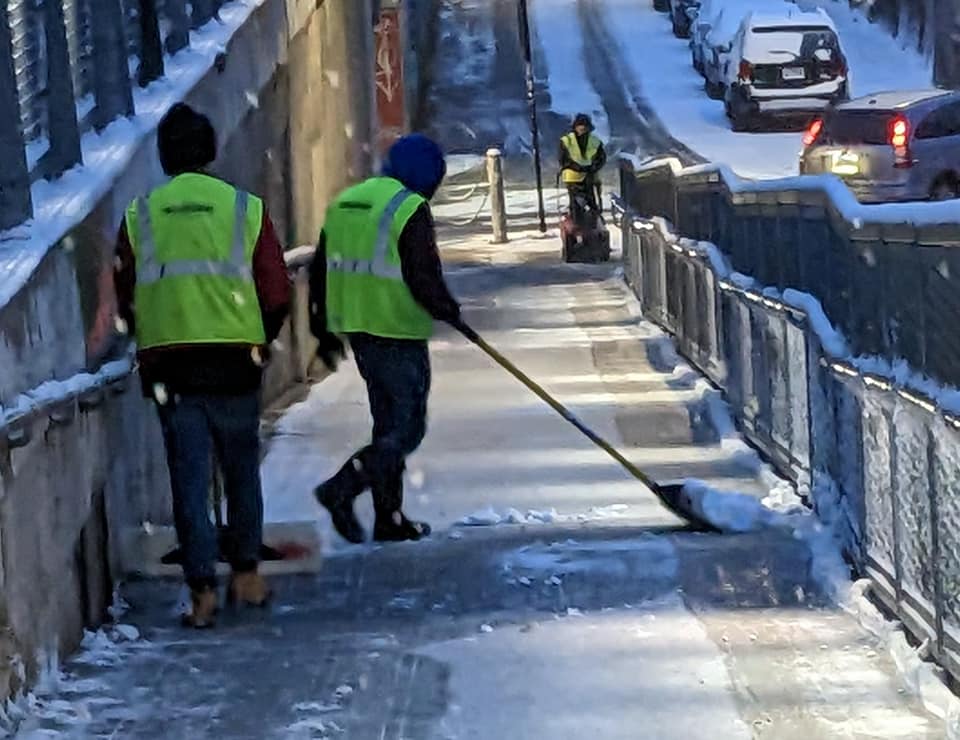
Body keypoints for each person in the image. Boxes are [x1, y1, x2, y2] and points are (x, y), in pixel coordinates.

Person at [114, 103, 291, 628]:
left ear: (165, 156)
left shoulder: (139, 215)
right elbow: (276, 291)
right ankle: (247, 576)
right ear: (210, 150)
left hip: (172, 369)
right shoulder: (244, 209)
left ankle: (201, 595)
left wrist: (148, 337)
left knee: (189, 480)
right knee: (241, 472)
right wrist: (260, 342)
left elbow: (126, 295)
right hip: (236, 362)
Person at [308, 134, 461, 544]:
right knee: (406, 430)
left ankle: (388, 518)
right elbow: (421, 275)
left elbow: (320, 268)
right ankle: (341, 488)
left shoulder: (345, 202)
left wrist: (321, 325)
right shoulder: (408, 208)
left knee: (387, 426)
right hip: (396, 327)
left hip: (360, 329)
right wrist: (447, 308)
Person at [559, 113, 607, 222]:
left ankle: (594, 224)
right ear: (575, 127)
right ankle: (577, 224)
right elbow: (563, 159)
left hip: (590, 177)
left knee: (592, 203)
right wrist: (576, 167)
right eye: (580, 125)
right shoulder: (566, 141)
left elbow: (602, 158)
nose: (582, 128)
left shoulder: (595, 141)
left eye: (585, 126)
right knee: (576, 205)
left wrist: (594, 167)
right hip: (573, 177)